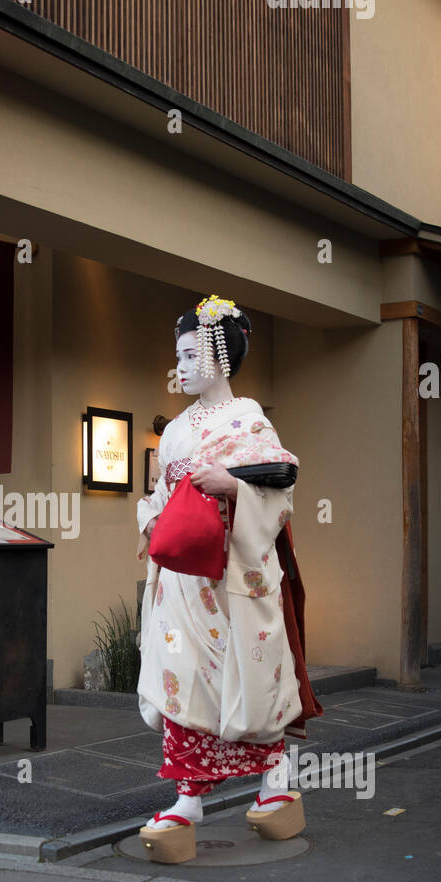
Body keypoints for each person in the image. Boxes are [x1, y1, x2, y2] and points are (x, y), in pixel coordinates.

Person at [136, 295, 320, 842]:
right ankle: (187, 800)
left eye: (191, 355)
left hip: (233, 575)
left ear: (219, 355)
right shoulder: (174, 431)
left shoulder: (250, 419)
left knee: (247, 676)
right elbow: (159, 492)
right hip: (184, 581)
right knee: (183, 678)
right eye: (178, 357)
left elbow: (277, 498)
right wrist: (149, 519)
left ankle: (275, 781)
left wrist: (234, 486)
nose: (181, 367)